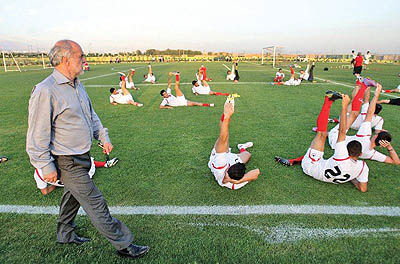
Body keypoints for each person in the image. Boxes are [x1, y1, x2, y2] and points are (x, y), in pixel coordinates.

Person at [26, 40, 149, 258]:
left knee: (72, 197)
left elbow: (90, 116)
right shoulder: (45, 90)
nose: (85, 60)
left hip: (83, 155)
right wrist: (45, 165)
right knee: (95, 201)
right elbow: (37, 134)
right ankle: (124, 244)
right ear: (66, 60)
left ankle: (65, 234)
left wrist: (103, 136)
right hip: (66, 160)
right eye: (81, 56)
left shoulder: (77, 84)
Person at [275, 91, 369, 192]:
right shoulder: (363, 167)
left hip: (311, 168)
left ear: (347, 150)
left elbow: (342, 132)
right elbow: (363, 189)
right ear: (360, 154)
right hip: (325, 168)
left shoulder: (342, 156)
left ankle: (328, 101)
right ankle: (296, 161)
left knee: (321, 134)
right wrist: (351, 178)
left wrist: (344, 106)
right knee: (322, 140)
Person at [328, 84, 400, 165]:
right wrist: (389, 147)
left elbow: (369, 113)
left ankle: (362, 87)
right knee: (352, 117)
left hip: (336, 137)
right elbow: (397, 162)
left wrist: (376, 94)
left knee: (354, 114)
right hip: (335, 144)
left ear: (375, 136)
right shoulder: (371, 154)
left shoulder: (365, 136)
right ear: (381, 145)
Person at [208, 98, 260, 190]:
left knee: (224, 137)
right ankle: (242, 147)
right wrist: (238, 181)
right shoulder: (237, 184)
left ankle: (225, 116)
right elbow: (256, 172)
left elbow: (222, 138)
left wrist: (226, 116)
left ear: (228, 169)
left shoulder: (220, 164)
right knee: (247, 154)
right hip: (228, 163)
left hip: (216, 158)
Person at [34, 156, 118, 195]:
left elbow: (45, 192)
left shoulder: (37, 174)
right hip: (81, 177)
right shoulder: (56, 163)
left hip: (65, 182)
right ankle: (105, 164)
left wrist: (54, 185)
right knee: (85, 161)